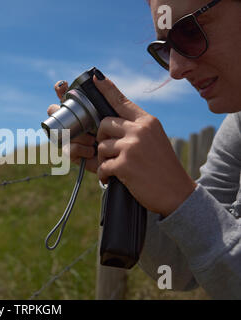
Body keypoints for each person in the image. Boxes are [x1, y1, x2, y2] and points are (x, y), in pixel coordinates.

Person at [47, 0, 241, 299]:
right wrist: (126, 175)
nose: (175, 70)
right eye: (165, 49)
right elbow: (184, 268)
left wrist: (180, 195)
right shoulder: (237, 126)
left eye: (189, 32)